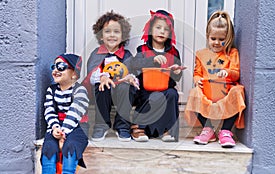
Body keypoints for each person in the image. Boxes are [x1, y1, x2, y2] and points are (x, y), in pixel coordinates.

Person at [184, 11, 246, 148]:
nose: (217, 43)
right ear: (207, 37)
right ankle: (208, 129)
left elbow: (236, 73)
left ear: (228, 38)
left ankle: (225, 131)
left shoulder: (232, 53)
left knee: (238, 91)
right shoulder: (201, 54)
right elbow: (197, 72)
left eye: (221, 39)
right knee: (194, 93)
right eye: (213, 39)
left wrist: (227, 72)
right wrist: (197, 80)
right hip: (208, 92)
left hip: (226, 92)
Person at [125, 9, 183, 142]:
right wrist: (153, 60)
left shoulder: (173, 52)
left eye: (166, 29)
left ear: (170, 33)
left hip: (165, 88)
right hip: (146, 89)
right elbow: (135, 64)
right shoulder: (143, 49)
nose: (162, 31)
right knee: (154, 96)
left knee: (172, 94)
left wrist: (176, 72)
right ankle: (138, 126)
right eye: (158, 27)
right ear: (150, 30)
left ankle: (167, 129)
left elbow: (177, 77)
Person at [82, 11, 138, 142]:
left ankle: (123, 124)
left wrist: (130, 78)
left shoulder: (127, 55)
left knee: (126, 86)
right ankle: (101, 124)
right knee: (101, 84)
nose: (112, 35)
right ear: (101, 35)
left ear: (123, 36)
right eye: (107, 31)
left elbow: (133, 73)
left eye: (116, 32)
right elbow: (91, 74)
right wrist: (102, 77)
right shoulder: (96, 54)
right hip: (102, 95)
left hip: (121, 94)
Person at [41, 53, 89, 173]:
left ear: (74, 74)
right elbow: (49, 111)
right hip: (56, 126)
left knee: (71, 146)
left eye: (61, 66)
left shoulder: (80, 90)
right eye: (54, 67)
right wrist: (55, 128)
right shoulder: (51, 90)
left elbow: (75, 113)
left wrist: (64, 133)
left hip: (77, 127)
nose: (56, 70)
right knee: (49, 147)